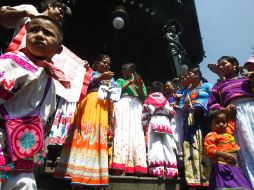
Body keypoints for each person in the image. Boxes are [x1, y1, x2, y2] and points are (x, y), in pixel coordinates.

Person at [0, 15, 63, 190]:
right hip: (2, 138)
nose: (40, 35)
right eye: (34, 30)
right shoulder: (10, 61)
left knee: (25, 184)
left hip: (22, 147)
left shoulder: (50, 81)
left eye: (48, 32)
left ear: (59, 49)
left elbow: (45, 115)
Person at [54, 54, 116, 187]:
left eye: (108, 64)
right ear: (97, 62)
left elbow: (115, 94)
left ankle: (94, 174)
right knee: (86, 133)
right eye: (103, 62)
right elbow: (82, 85)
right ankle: (77, 172)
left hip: (104, 107)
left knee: (99, 137)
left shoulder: (112, 78)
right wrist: (99, 78)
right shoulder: (90, 72)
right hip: (90, 102)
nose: (106, 65)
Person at [208, 56, 254, 188]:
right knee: (246, 150)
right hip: (236, 117)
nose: (220, 66)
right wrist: (224, 111)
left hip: (252, 110)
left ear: (235, 66)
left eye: (223, 63)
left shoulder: (247, 80)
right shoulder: (218, 86)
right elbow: (212, 106)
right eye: (218, 65)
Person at [111, 63, 147, 175]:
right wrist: (129, 83)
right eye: (122, 69)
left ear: (131, 70)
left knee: (136, 133)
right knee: (121, 131)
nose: (122, 71)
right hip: (123, 105)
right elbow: (115, 92)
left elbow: (143, 97)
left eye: (124, 69)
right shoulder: (120, 80)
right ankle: (119, 166)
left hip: (136, 106)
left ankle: (138, 166)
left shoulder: (139, 80)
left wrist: (140, 86)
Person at [179, 68, 212, 187]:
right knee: (190, 148)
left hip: (204, 120)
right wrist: (186, 106)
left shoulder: (207, 85)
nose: (187, 76)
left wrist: (201, 106)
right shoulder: (186, 91)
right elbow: (181, 107)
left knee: (204, 146)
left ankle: (207, 178)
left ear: (197, 75)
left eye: (189, 74)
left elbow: (213, 100)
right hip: (190, 120)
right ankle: (193, 180)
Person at [204, 110, 253, 190]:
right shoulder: (212, 135)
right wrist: (224, 155)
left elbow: (231, 123)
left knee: (241, 186)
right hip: (222, 166)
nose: (221, 124)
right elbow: (210, 150)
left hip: (234, 166)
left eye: (224, 122)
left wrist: (231, 114)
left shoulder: (228, 131)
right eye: (217, 122)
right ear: (210, 125)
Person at [142, 81, 178, 178]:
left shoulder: (148, 100)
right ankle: (171, 172)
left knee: (155, 146)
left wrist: (144, 124)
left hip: (154, 122)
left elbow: (144, 116)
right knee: (168, 146)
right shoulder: (165, 100)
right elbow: (172, 112)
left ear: (152, 89)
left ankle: (158, 171)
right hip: (165, 123)